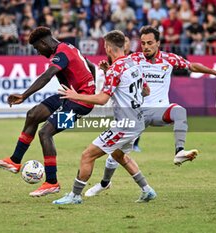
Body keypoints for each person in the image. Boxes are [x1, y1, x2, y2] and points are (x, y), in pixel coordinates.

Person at [85, 26, 216, 197]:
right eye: (143, 43)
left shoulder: (169, 59)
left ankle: (179, 152)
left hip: (158, 110)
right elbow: (118, 76)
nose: (145, 47)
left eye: (150, 43)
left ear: (158, 43)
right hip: (136, 113)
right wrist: (106, 69)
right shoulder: (133, 59)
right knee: (117, 154)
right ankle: (104, 183)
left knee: (179, 111)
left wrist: (214, 72)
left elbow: (191, 66)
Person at [53, 30, 156, 205]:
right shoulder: (133, 63)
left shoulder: (116, 69)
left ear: (107, 48)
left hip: (125, 125)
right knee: (119, 155)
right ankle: (147, 190)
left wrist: (75, 95)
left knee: (87, 155)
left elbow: (101, 99)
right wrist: (111, 74)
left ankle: (75, 196)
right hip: (138, 121)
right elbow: (146, 91)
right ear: (123, 45)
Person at [0, 26, 96, 197]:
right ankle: (15, 161)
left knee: (45, 133)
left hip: (80, 104)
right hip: (69, 96)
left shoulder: (61, 54)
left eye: (36, 48)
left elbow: (47, 76)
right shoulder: (69, 47)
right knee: (33, 115)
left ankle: (52, 182)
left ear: (43, 42)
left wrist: (24, 95)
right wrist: (91, 87)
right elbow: (91, 66)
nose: (38, 52)